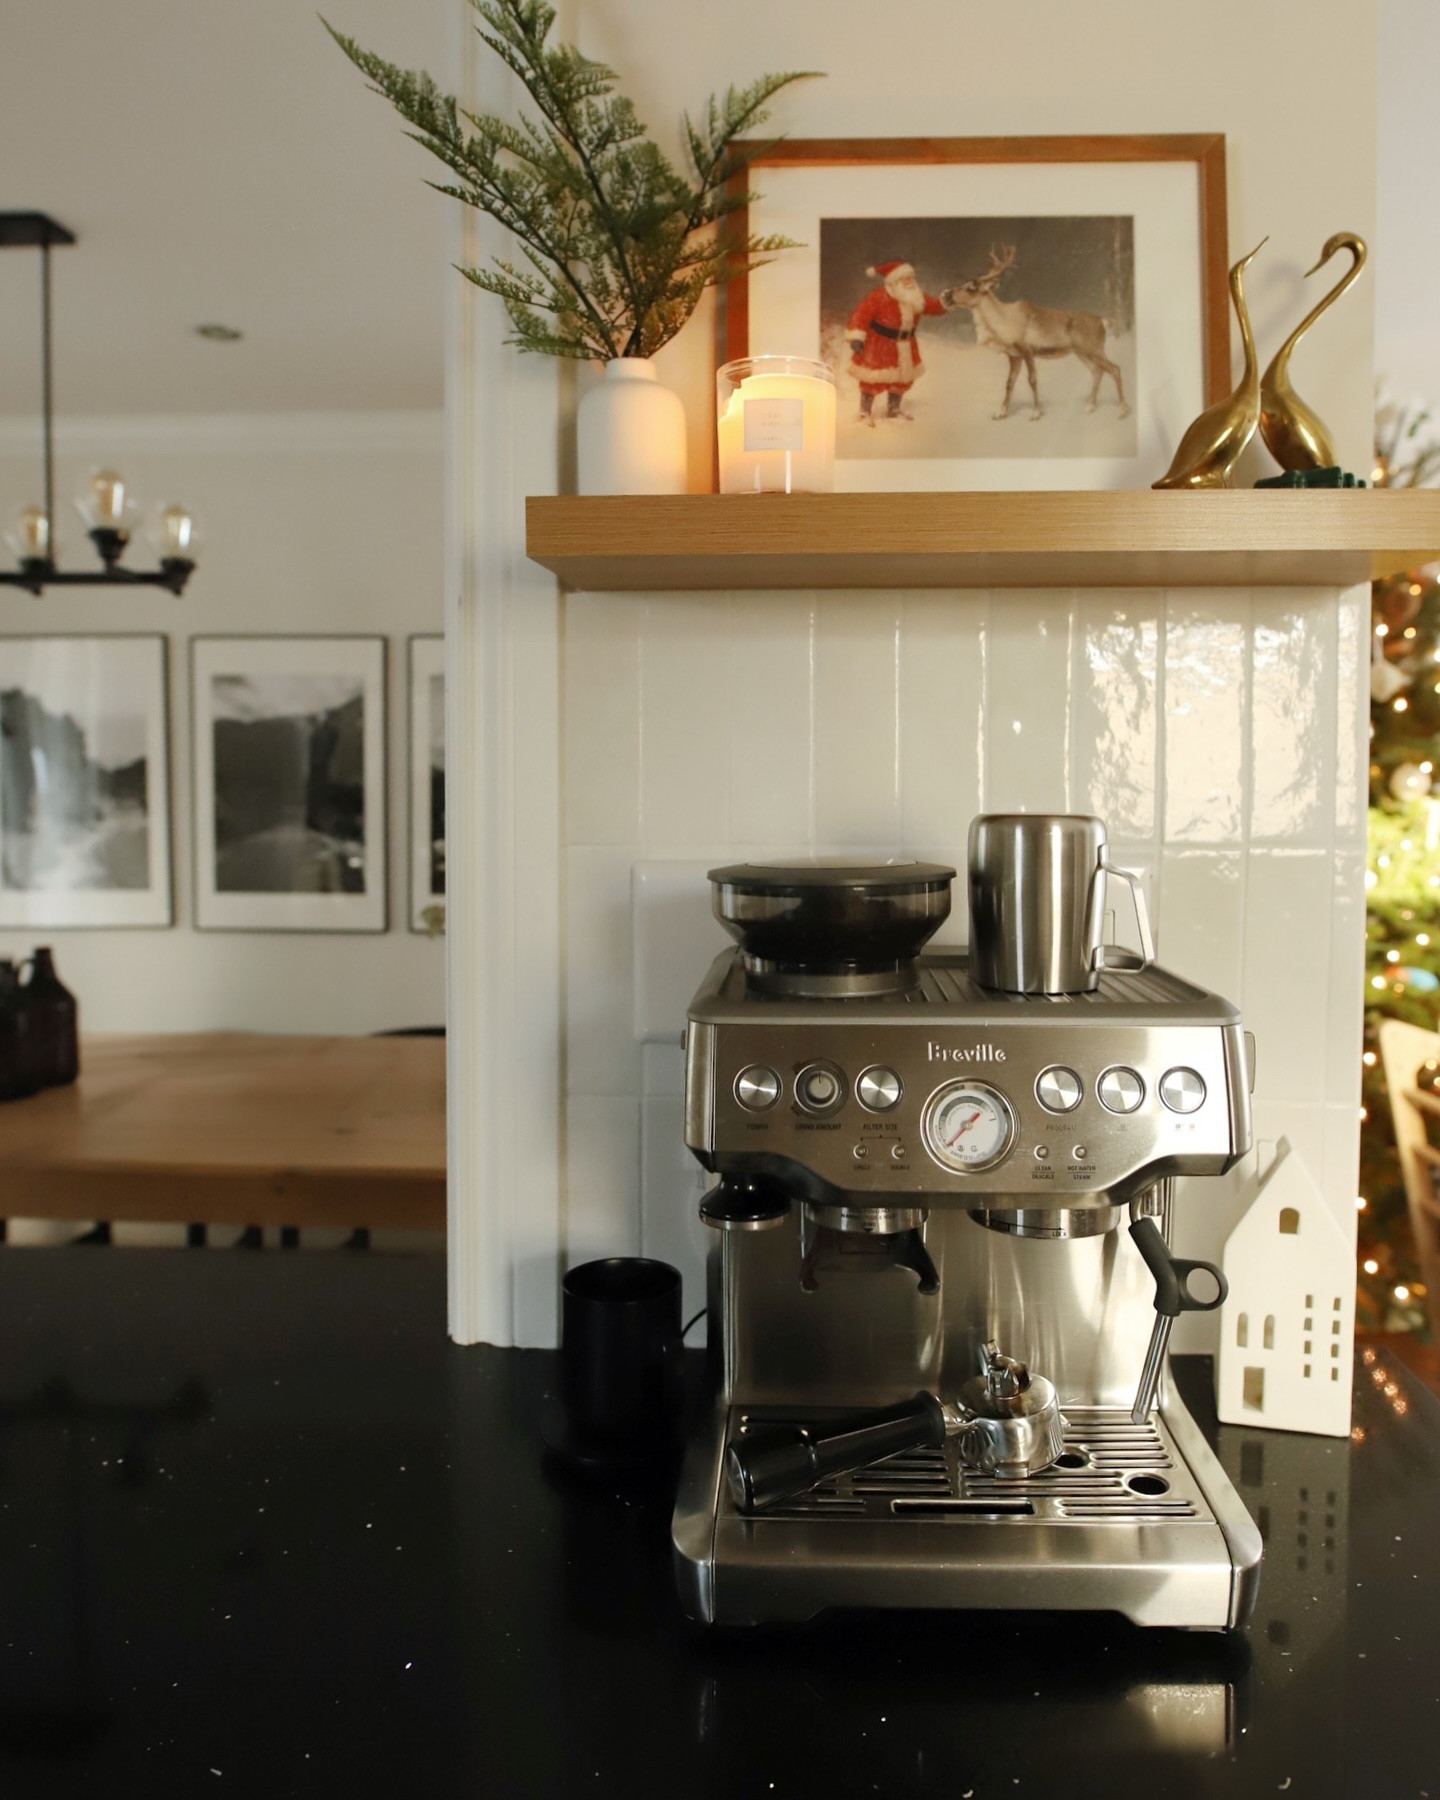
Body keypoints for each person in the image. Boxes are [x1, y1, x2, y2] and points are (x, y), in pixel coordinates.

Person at [845, 260, 950, 424]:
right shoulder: (878, 296)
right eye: (905, 278)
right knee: (871, 378)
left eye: (911, 277)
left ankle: (893, 410)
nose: (910, 281)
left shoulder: (916, 296)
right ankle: (864, 412)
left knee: (901, 378)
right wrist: (857, 337)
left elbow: (932, 306)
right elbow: (861, 314)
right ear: (893, 281)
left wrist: (945, 302)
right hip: (879, 344)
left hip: (906, 344)